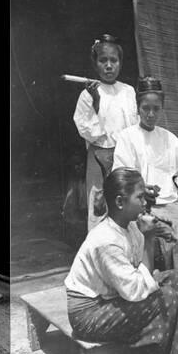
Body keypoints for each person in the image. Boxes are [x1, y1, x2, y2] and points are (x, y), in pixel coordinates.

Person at [64, 168, 178, 354]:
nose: (145, 202)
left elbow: (139, 275)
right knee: (168, 297)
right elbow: (136, 291)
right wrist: (150, 239)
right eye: (140, 197)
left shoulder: (129, 226)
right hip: (88, 314)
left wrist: (154, 233)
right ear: (120, 201)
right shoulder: (106, 241)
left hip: (112, 298)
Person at [112, 76, 178, 325]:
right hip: (139, 207)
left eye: (156, 109)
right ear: (137, 108)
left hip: (170, 204)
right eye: (145, 108)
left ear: (162, 108)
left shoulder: (167, 137)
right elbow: (120, 177)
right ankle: (170, 308)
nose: (150, 114)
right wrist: (139, 189)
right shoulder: (127, 137)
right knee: (168, 234)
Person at [73, 34, 138, 231]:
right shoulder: (87, 94)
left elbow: (134, 125)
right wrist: (96, 103)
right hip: (99, 158)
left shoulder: (128, 91)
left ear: (120, 63)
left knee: (125, 203)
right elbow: (88, 131)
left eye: (113, 60)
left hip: (123, 156)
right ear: (95, 64)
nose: (109, 66)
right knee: (99, 205)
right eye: (103, 61)